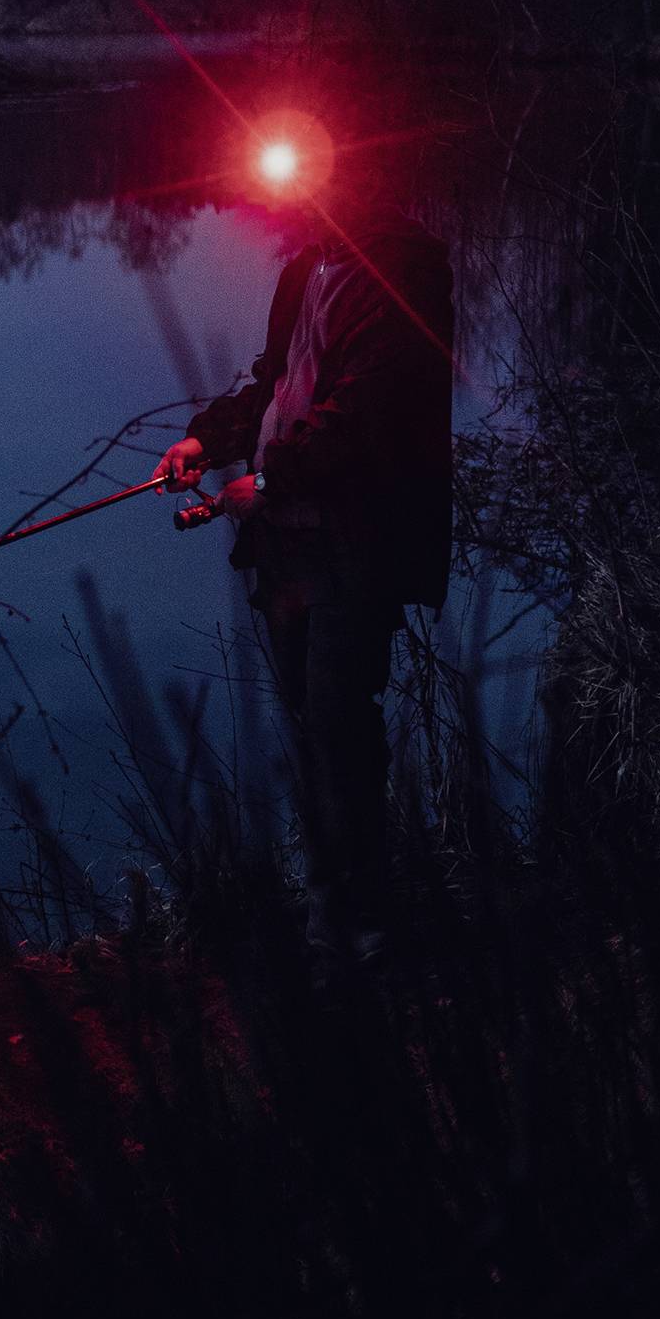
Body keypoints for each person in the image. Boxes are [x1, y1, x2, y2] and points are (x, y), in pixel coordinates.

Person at [156, 141, 453, 959]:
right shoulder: (305, 270)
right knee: (310, 724)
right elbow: (274, 384)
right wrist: (205, 440)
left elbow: (369, 411)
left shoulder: (405, 270)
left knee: (337, 724)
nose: (297, 201)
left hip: (355, 542)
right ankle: (334, 917)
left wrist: (269, 478)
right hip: (286, 543)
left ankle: (362, 927)